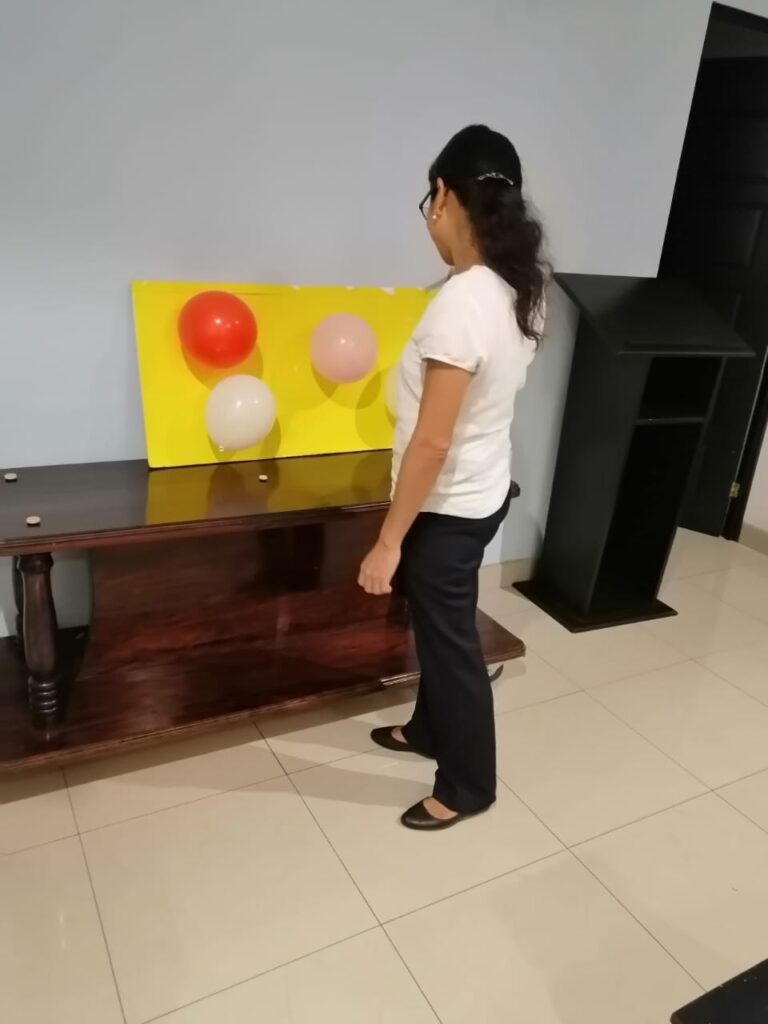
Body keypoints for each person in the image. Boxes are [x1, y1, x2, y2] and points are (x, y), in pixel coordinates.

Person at [357, 124, 548, 831]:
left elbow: (433, 441)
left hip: (447, 507)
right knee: (441, 629)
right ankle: (428, 729)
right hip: (482, 492)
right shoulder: (518, 289)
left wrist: (388, 542)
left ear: (442, 195)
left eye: (427, 203)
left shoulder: (463, 301)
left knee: (451, 645)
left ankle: (467, 786)